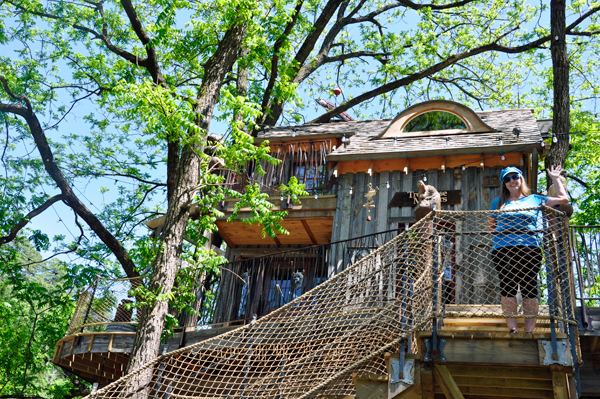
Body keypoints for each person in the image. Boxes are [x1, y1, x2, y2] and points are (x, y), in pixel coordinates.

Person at [487, 165, 568, 334]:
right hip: (503, 249)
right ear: (504, 183)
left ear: (521, 178)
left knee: (529, 286)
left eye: (514, 177)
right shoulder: (498, 203)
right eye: (507, 179)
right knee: (508, 286)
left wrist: (555, 177)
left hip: (529, 248)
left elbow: (562, 198)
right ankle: (513, 329)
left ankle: (530, 330)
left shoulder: (535, 199)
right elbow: (490, 227)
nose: (512, 181)